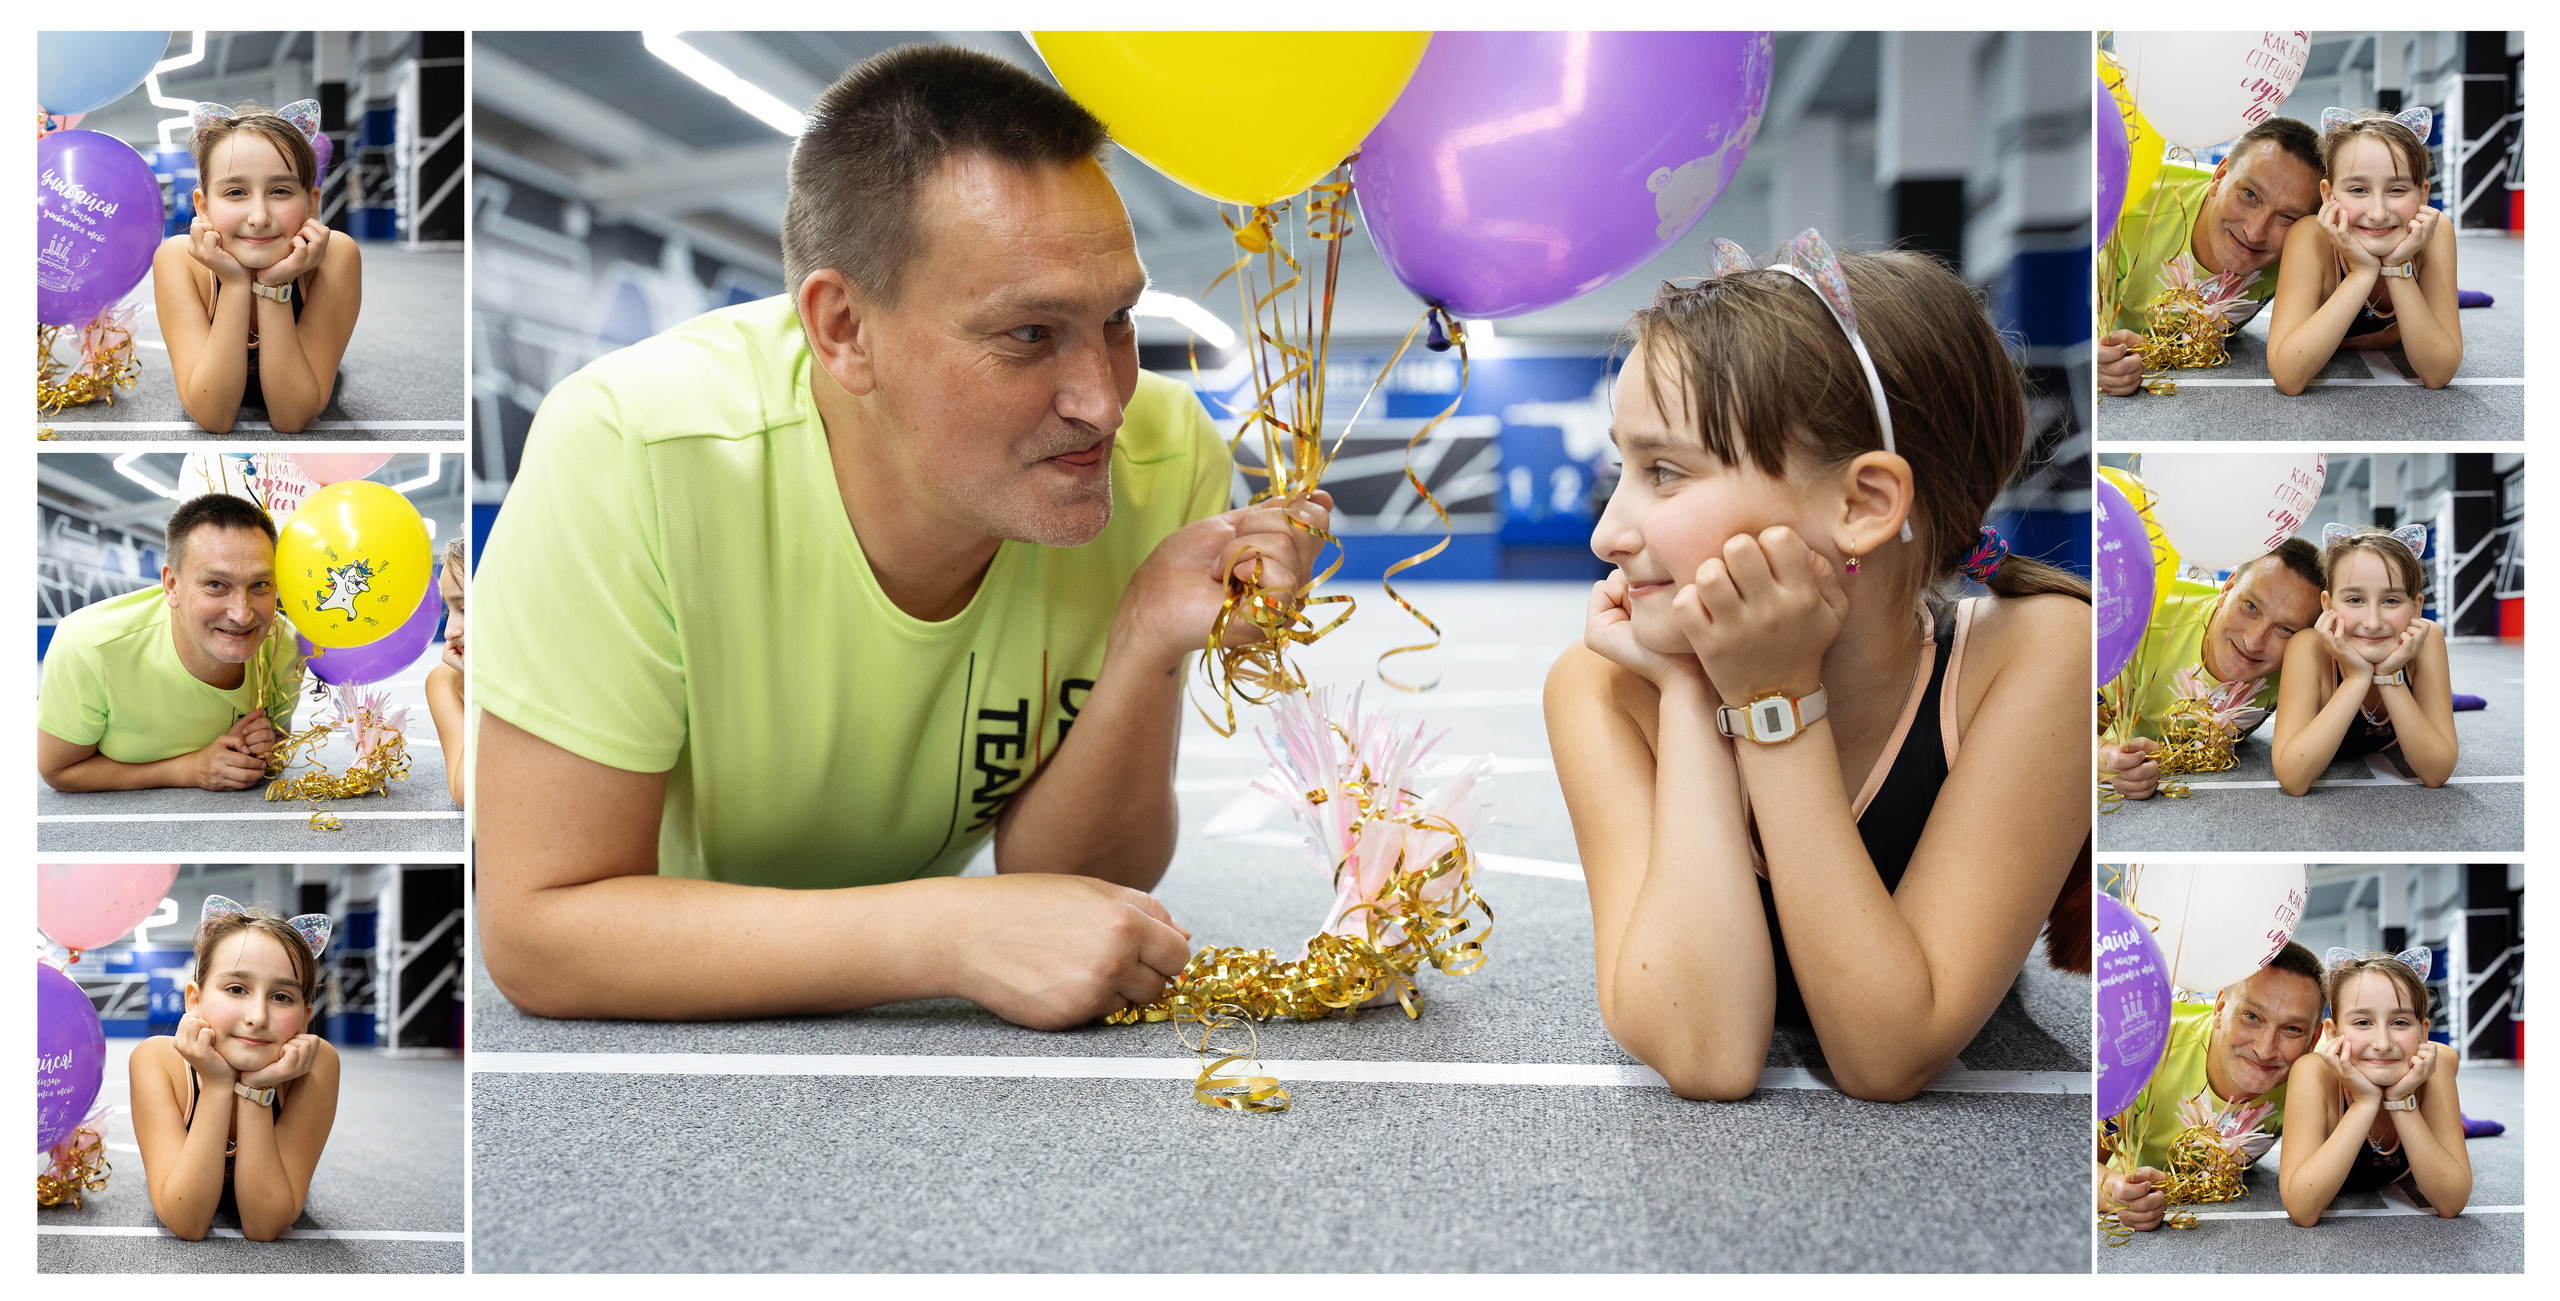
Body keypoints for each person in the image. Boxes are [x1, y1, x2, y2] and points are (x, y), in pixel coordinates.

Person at [471, 45, 1327, 1030]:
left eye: (1119, 320)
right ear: (842, 329)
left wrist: (1144, 641)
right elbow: (542, 932)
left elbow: (1076, 896)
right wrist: (946, 933)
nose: (1102, 401)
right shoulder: (633, 446)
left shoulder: (1165, 451)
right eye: (1027, 333)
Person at [1542, 234, 2092, 1104]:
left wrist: (1772, 698)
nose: (1609, 532)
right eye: (1623, 467)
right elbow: (1705, 1048)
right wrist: (1695, 688)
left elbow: (1886, 1052)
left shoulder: (2038, 653)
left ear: (1864, 504)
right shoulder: (1605, 685)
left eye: (1664, 472)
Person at [37, 493, 304, 792]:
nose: (242, 614)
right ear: (171, 585)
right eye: (215, 585)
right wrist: (190, 770)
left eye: (260, 585)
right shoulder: (88, 646)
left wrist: (263, 747)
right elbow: (59, 770)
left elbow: (277, 752)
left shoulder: (287, 646)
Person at [129, 897, 340, 1241]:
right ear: (194, 1000)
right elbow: (187, 1221)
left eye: (282, 997)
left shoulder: (317, 1066)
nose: (257, 1017)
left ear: (305, 1017)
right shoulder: (157, 1061)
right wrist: (216, 1084)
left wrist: (256, 1089)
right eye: (236, 989)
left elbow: (265, 1224)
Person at [150, 99, 361, 434]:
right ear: (203, 207)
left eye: (280, 191)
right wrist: (234, 284)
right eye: (236, 192)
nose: (260, 217)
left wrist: (275, 284)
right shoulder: (178, 259)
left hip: (305, 376)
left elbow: (291, 418)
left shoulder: (336, 256)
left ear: (311, 203)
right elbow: (214, 417)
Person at [2097, 941, 2326, 1232]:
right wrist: (2117, 1193)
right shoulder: (2145, 1051)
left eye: (2292, 1029)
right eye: (2251, 1016)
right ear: (2219, 1008)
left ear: (2314, 1038)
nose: (2266, 1049)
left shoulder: (2314, 1076)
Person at [2097, 117, 2323, 398]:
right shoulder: (2126, 206)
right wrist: (2097, 356)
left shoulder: (2299, 253)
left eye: (2287, 217)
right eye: (2249, 194)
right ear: (2219, 176)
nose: (2255, 232)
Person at [2098, 539, 2324, 800]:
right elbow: (2071, 734)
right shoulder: (2141, 625)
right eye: (2251, 606)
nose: (2253, 642)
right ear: (2227, 588)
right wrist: (2109, 762)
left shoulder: (2299, 665)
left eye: (2285, 629)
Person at [2266, 109, 2463, 395]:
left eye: (2396, 190)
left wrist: (2398, 266)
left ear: (2422, 195)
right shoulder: (2310, 237)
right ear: (2329, 196)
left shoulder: (2435, 233)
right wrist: (2362, 273)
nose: (2378, 213)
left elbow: (2438, 373)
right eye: (2358, 190)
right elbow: (2288, 377)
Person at [2278, 950, 2471, 1224]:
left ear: (2424, 1032)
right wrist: (2365, 1103)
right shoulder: (2312, 1073)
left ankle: (2458, 1120)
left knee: (2447, 1058)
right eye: (2363, 1022)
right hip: (2346, 1082)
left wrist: (2401, 1099)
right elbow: (2302, 1209)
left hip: (2427, 1071)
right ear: (2333, 1033)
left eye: (2400, 1022)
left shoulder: (2433, 1069)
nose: (2382, 1043)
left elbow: (2451, 1202)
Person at [2271, 525, 2454, 794]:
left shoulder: (2428, 640)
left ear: (2415, 607)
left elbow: (2436, 772)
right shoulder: (2308, 648)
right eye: (2355, 599)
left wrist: (2390, 674)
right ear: (2328, 605)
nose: (2372, 622)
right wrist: (2357, 677)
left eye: (2391, 601)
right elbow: (2293, 779)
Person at [424, 536, 467, 809]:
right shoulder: (444, 682)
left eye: (463, 608)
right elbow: (469, 795)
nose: (451, 631)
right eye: (448, 609)